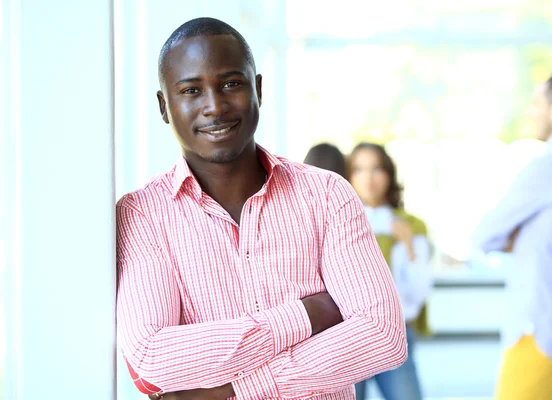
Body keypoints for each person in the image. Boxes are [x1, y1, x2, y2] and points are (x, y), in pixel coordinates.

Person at [116, 17, 407, 400]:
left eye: (231, 84)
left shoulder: (326, 195)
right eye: (191, 90)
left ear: (258, 89)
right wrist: (307, 314)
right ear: (164, 106)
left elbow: (383, 335)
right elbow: (152, 359)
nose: (214, 106)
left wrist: (233, 389)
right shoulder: (142, 215)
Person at [472, 75, 552, 400]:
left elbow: (485, 234)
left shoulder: (548, 168)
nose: (530, 113)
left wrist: (518, 235)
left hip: (537, 332)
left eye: (536, 104)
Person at [347, 143, 431, 400]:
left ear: (389, 175)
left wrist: (408, 245)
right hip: (349, 336)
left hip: (395, 333)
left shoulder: (411, 226)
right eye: (359, 169)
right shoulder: (341, 221)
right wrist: (382, 224)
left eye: (376, 169)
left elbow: (418, 293)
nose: (368, 178)